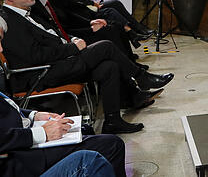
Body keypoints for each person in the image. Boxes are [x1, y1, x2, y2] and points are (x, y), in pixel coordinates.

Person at [0, 0, 173, 134]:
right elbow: (35, 56)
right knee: (105, 46)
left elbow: (55, 34)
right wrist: (73, 48)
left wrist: (73, 40)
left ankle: (112, 121)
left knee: (108, 66)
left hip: (57, 63)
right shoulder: (8, 21)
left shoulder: (26, 12)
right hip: (39, 74)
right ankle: (141, 77)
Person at [0, 17, 126, 177]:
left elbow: (6, 104)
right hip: (16, 160)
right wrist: (41, 133)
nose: (1, 49)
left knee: (85, 127)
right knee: (108, 146)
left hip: (21, 136)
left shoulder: (33, 14)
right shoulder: (16, 22)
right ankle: (138, 79)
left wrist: (33, 115)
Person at [27, 0, 139, 64]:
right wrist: (89, 28)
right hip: (69, 39)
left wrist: (90, 23)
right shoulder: (36, 5)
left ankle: (130, 61)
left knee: (114, 24)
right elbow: (59, 29)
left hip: (76, 28)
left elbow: (71, 9)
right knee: (110, 28)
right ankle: (131, 64)